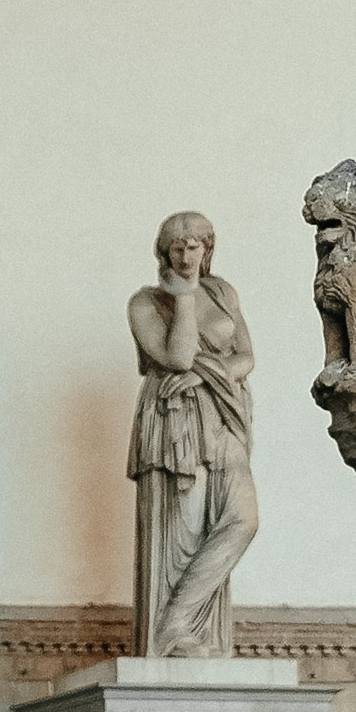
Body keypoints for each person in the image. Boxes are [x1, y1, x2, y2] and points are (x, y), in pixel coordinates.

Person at [128, 211, 258, 658]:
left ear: (208, 248)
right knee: (184, 533)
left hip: (224, 416)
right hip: (176, 421)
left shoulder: (223, 293)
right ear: (164, 253)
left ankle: (179, 623)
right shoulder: (145, 303)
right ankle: (173, 634)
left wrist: (208, 376)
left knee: (243, 521)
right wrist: (182, 299)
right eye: (176, 248)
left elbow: (246, 359)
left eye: (194, 246)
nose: (186, 256)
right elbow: (179, 358)